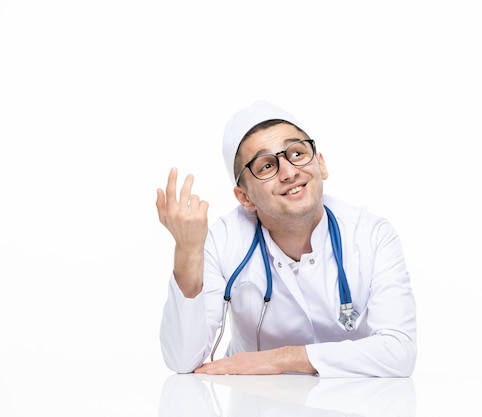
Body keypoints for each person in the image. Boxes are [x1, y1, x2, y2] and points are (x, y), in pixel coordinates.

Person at [156, 100, 417, 377]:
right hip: (254, 404)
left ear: (321, 164)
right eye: (266, 166)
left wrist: (284, 358)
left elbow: (399, 352)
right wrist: (187, 250)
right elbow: (182, 360)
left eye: (297, 153)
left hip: (353, 403)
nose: (289, 172)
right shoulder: (222, 242)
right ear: (244, 197)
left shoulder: (371, 235)